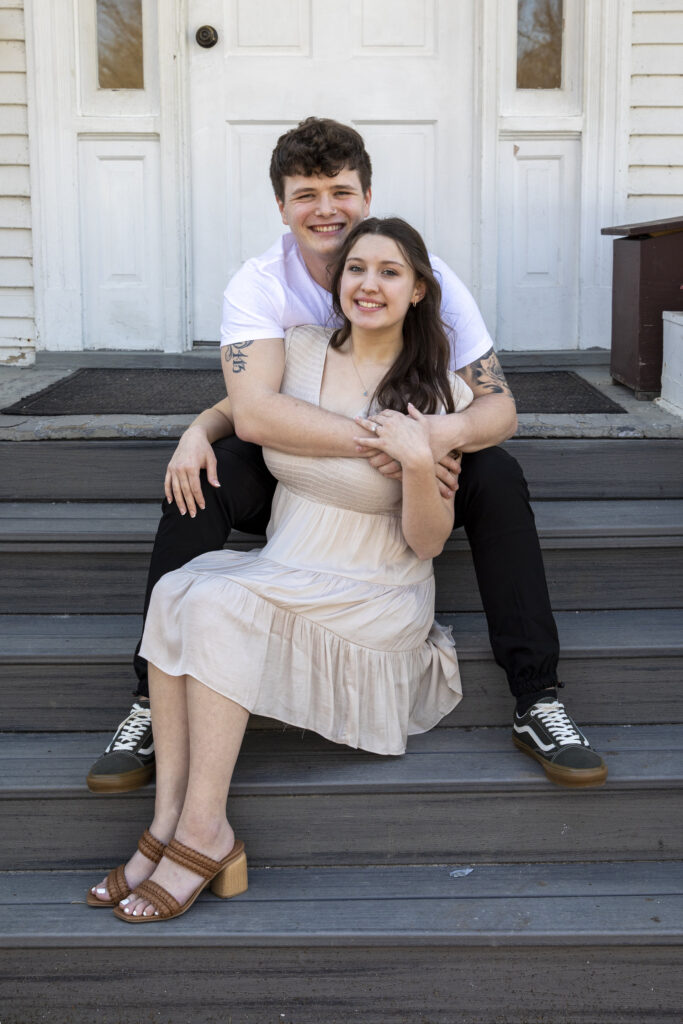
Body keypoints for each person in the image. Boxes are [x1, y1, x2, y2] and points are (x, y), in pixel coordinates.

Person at [86, 117, 606, 798]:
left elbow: (497, 408)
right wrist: (372, 438)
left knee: (498, 474)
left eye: (340, 190)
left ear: (366, 194)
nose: (325, 208)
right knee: (203, 476)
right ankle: (150, 702)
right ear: (281, 207)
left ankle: (535, 696)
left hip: (414, 456)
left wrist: (432, 442)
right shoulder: (260, 286)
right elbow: (255, 409)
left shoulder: (427, 275)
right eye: (305, 194)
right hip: (305, 466)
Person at [89, 216, 474, 920]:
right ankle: (169, 822)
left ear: (418, 290)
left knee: (213, 601)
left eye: (390, 272)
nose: (369, 284)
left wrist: (419, 460)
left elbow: (427, 541)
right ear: (337, 281)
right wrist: (194, 432)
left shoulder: (437, 395)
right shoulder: (298, 350)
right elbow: (237, 406)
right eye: (356, 268)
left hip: (375, 587)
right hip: (291, 561)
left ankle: (205, 829)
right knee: (177, 587)